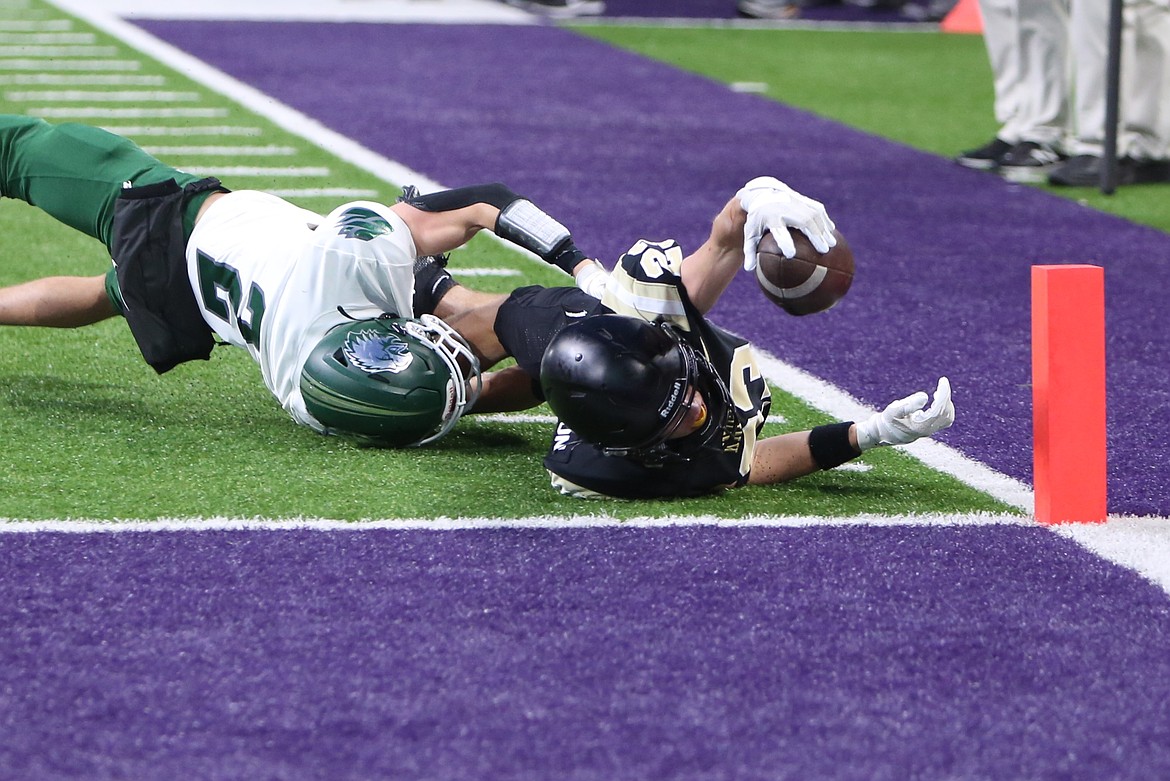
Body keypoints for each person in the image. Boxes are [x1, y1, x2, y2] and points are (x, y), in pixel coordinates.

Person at [0, 115, 590, 446]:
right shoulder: (316, 400)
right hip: (180, 304)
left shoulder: (345, 259)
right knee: (109, 294)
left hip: (167, 221)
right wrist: (563, 370)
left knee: (22, 149)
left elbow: (486, 202)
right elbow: (468, 383)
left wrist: (579, 265)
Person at [427, 176, 955, 499]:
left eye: (685, 396)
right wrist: (867, 434)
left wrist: (761, 194)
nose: (700, 410)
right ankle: (444, 338)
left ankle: (432, 289)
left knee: (487, 336)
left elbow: (726, 236)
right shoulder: (608, 473)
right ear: (640, 449)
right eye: (677, 417)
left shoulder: (650, 308)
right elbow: (750, 465)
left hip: (595, 322)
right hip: (580, 373)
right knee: (472, 378)